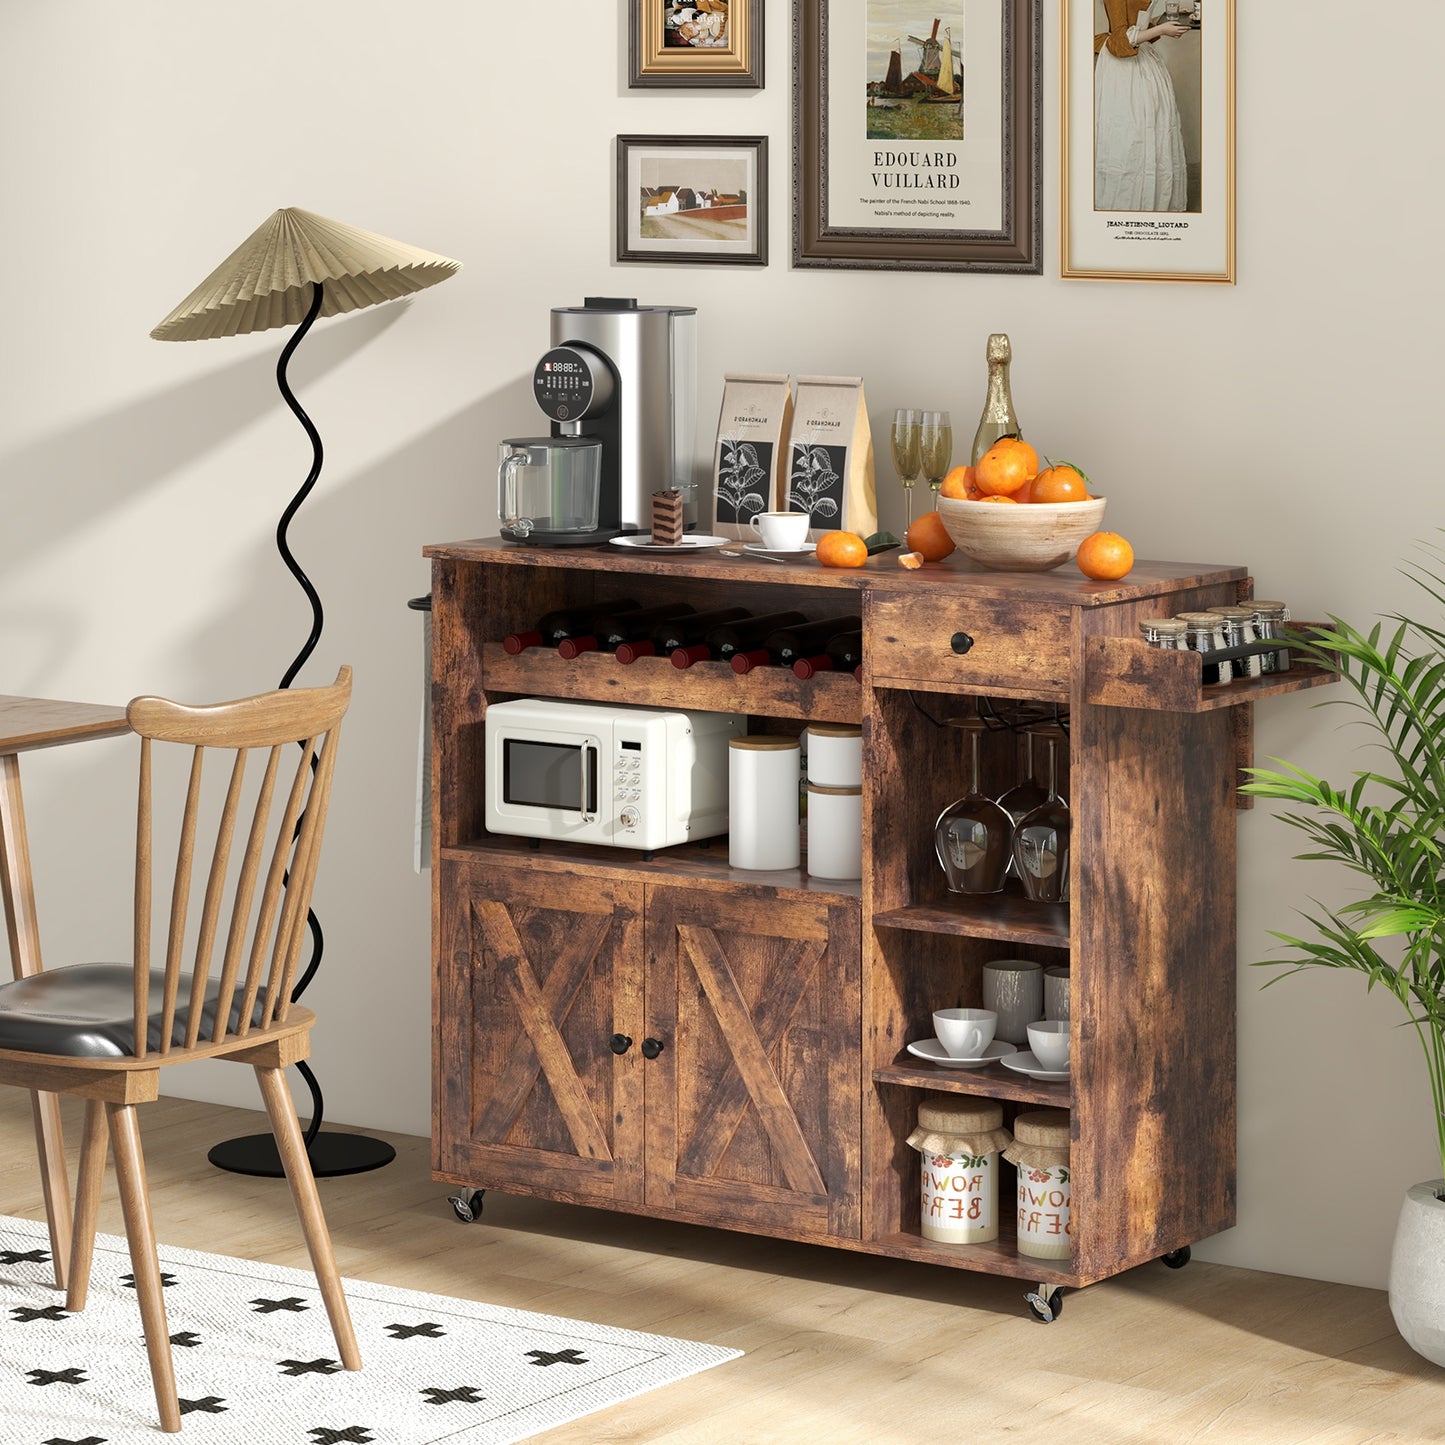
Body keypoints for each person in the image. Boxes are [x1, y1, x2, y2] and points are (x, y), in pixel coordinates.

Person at [1093, 1, 1190, 212]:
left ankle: (1150, 199)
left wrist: (1165, 19)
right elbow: (1121, 39)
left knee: (1153, 130)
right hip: (1123, 69)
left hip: (1144, 61)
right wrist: (1162, 30)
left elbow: (1137, 26)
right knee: (1130, 135)